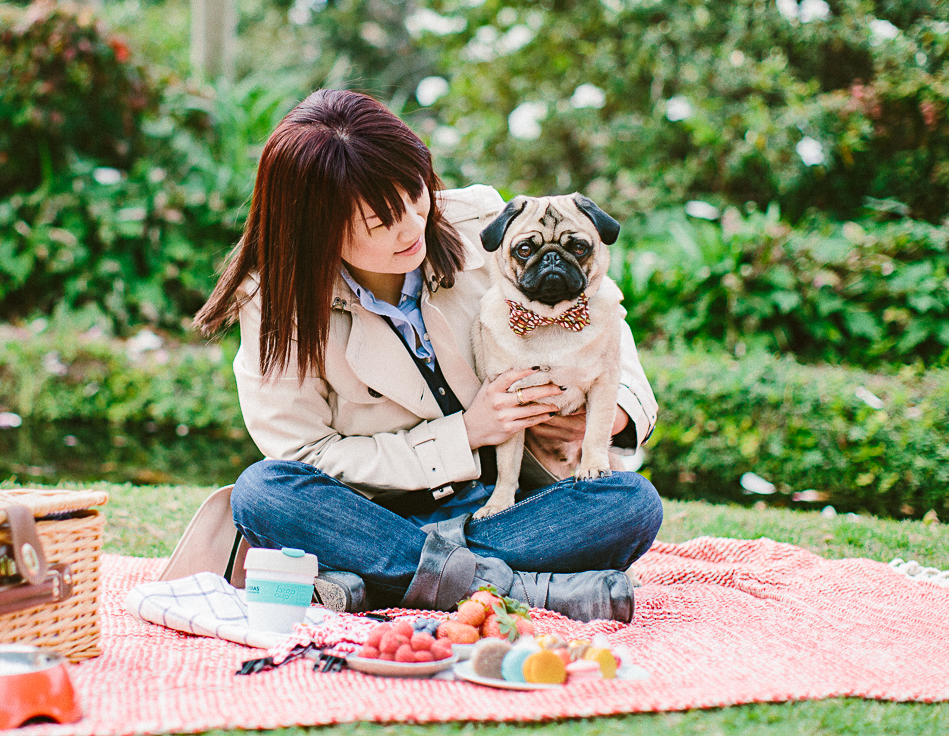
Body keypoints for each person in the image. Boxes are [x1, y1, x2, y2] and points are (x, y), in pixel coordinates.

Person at [194, 90, 662, 622]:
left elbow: (604, 322)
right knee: (265, 493)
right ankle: (524, 589)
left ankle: (386, 581)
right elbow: (302, 454)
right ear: (317, 228)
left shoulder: (482, 221)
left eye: (416, 197)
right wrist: (465, 435)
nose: (413, 227)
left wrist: (615, 414)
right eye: (380, 222)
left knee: (631, 503)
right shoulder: (277, 300)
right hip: (374, 511)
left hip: (507, 507)